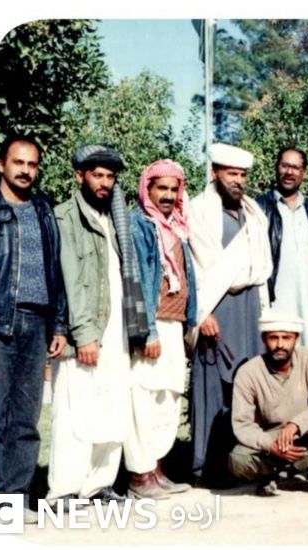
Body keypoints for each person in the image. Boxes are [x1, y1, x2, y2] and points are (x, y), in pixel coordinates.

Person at [47, 144, 149, 506]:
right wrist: (84, 333)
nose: (104, 183)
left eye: (110, 176)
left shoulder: (115, 219)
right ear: (80, 176)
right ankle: (64, 489)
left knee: (112, 406)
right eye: (97, 175)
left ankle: (99, 484)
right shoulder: (65, 217)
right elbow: (71, 280)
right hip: (87, 331)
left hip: (117, 328)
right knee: (75, 412)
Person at [186, 143, 273, 485]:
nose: (238, 181)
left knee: (246, 384)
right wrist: (202, 313)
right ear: (214, 173)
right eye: (231, 173)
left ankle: (242, 464)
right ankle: (205, 468)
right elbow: (195, 268)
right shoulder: (198, 211)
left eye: (242, 175)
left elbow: (260, 268)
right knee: (212, 387)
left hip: (249, 308)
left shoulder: (254, 214)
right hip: (216, 308)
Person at [0, 134, 68, 522]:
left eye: (32, 164)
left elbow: (56, 270)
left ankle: (14, 497)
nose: (25, 170)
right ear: (1, 164)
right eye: (18, 162)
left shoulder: (43, 210)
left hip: (37, 323)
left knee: (26, 417)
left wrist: (59, 325)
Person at [123, 159, 196, 499]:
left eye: (173, 189)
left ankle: (155, 468)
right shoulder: (139, 224)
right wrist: (147, 330)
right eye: (161, 188)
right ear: (147, 190)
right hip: (152, 325)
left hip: (174, 324)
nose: (167, 195)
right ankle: (139, 476)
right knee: (144, 397)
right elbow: (137, 279)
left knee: (168, 395)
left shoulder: (177, 226)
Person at [229, 310, 308, 498]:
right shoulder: (248, 372)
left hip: (306, 434)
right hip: (271, 442)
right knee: (238, 458)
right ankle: (269, 476)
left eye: (286, 338)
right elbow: (243, 425)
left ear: (296, 339)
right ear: (264, 339)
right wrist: (271, 445)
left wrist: (295, 425)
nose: (280, 344)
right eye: (273, 338)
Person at [255, 147, 308, 364]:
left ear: (304, 172)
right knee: (278, 363)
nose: (289, 172)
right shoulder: (259, 207)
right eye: (285, 166)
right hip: (275, 304)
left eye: (295, 167)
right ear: (276, 168)